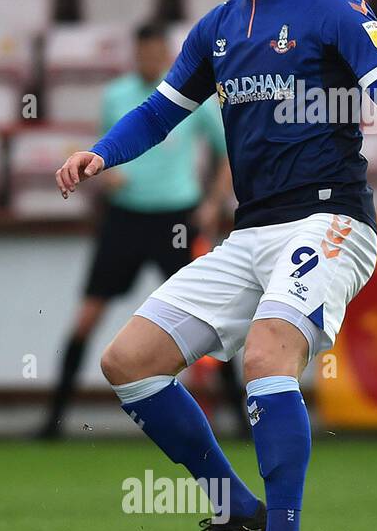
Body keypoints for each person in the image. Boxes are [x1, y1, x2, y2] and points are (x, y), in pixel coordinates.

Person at [54, 0, 377, 531]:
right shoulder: (220, 26)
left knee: (265, 360)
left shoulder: (334, 9)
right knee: (128, 362)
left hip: (330, 220)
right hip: (252, 230)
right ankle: (235, 512)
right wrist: (101, 152)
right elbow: (162, 111)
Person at [38, 22, 233, 439]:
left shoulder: (192, 99)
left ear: (166, 53)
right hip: (125, 219)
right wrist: (106, 177)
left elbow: (228, 153)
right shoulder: (117, 96)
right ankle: (54, 421)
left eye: (156, 51)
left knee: (209, 321)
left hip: (177, 220)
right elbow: (106, 146)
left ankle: (239, 422)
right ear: (136, 53)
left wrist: (213, 204)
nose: (149, 59)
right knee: (87, 316)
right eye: (142, 52)